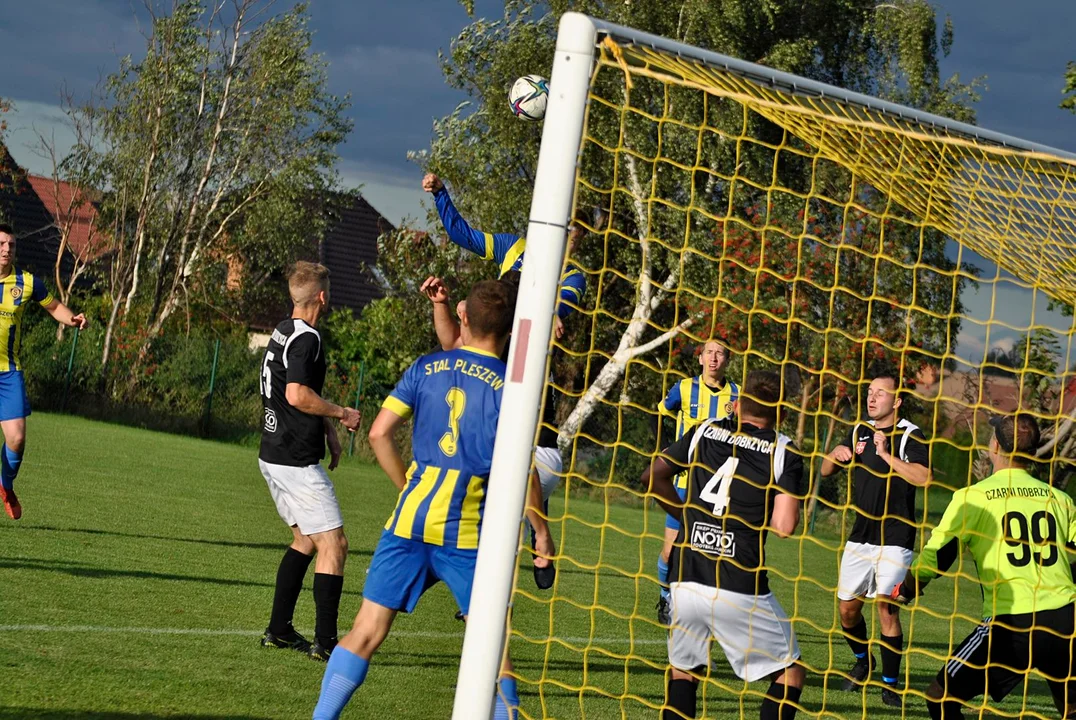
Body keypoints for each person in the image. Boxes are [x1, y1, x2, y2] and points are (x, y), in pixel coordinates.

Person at [312, 280, 552, 720]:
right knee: (492, 650)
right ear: (511, 329)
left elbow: (379, 433)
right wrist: (541, 532)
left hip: (409, 523)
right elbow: (522, 470)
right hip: (466, 534)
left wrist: (407, 486)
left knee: (364, 632)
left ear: (464, 317)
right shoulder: (510, 389)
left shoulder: (426, 367)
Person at [642, 370, 805, 720]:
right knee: (789, 673)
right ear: (781, 414)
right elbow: (784, 526)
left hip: (685, 575)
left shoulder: (704, 430)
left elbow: (651, 476)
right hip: (738, 582)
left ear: (738, 404)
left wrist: (686, 517)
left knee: (683, 671)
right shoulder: (783, 451)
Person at [891, 413, 1076, 719]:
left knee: (940, 698)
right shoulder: (1059, 499)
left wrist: (906, 589)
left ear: (995, 446)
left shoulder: (972, 498)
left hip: (1011, 624)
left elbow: (937, 557)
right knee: (1070, 706)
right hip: (1066, 621)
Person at [420, 273, 557, 590]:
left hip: (532, 457)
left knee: (473, 531)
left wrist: (457, 309)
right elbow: (452, 343)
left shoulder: (518, 337)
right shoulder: (524, 331)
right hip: (531, 456)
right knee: (484, 533)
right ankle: (534, 535)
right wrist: (444, 305)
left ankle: (468, 585)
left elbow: (453, 344)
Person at [257, 262, 361, 661]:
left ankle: (279, 629)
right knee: (334, 544)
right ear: (322, 296)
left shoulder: (284, 330)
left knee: (305, 540)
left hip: (273, 453)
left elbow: (291, 392)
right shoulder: (309, 338)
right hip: (296, 460)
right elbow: (299, 395)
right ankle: (327, 643)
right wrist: (341, 414)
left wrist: (328, 433)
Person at [820, 366, 932, 706]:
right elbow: (824, 470)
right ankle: (862, 662)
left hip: (897, 537)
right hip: (861, 535)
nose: (871, 397)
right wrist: (835, 457)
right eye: (869, 392)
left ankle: (890, 685)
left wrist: (886, 455)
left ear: (896, 401)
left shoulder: (911, 435)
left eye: (879, 393)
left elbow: (923, 477)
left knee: (886, 608)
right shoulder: (858, 430)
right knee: (847, 611)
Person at [421, 173, 586, 338]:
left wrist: (549, 313)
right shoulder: (513, 246)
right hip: (491, 331)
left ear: (579, 243)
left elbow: (564, 303)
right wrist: (441, 193)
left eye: (575, 239)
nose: (566, 242)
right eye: (564, 234)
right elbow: (464, 236)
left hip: (524, 342)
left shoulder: (573, 277)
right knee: (444, 353)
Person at [0, 222, 88, 521]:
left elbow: (53, 308)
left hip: (9, 374)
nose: (6, 249)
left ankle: (5, 486)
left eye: (10, 245)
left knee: (17, 439)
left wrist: (72, 319)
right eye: (1, 244)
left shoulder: (26, 283)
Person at [654, 339, 739, 624]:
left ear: (727, 360)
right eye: (709, 352)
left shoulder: (737, 395)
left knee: (710, 554)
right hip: (682, 481)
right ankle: (665, 597)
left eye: (720, 353)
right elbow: (662, 413)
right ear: (700, 358)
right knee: (671, 549)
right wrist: (665, 448)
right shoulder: (683, 388)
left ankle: (704, 611)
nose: (714, 358)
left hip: (716, 488)